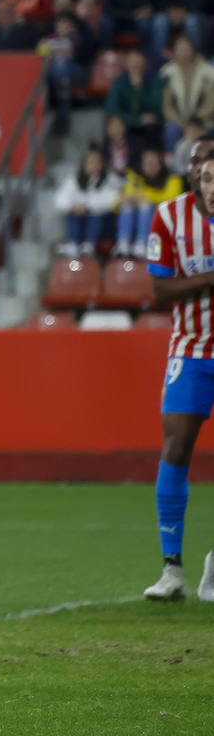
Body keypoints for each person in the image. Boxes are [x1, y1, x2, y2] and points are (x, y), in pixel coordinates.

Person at [144, 153, 214, 604]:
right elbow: (159, 289)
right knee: (175, 448)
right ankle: (173, 569)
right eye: (202, 171)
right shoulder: (170, 216)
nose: (204, 179)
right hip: (190, 348)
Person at [56, 146, 123, 257]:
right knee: (72, 213)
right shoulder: (73, 180)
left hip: (103, 223)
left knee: (96, 214)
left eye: (97, 162)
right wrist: (73, 207)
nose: (94, 165)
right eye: (90, 162)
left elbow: (113, 200)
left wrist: (87, 207)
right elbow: (60, 200)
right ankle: (73, 243)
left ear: (102, 165)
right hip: (80, 220)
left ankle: (89, 245)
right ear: (84, 164)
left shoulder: (110, 179)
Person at [117, 147, 183, 258]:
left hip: (166, 221)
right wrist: (125, 199)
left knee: (145, 205)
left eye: (153, 163)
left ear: (161, 164)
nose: (150, 166)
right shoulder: (136, 178)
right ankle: (123, 244)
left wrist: (146, 196)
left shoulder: (173, 178)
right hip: (137, 219)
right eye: (147, 163)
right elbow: (123, 199)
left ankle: (143, 244)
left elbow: (172, 202)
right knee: (127, 206)